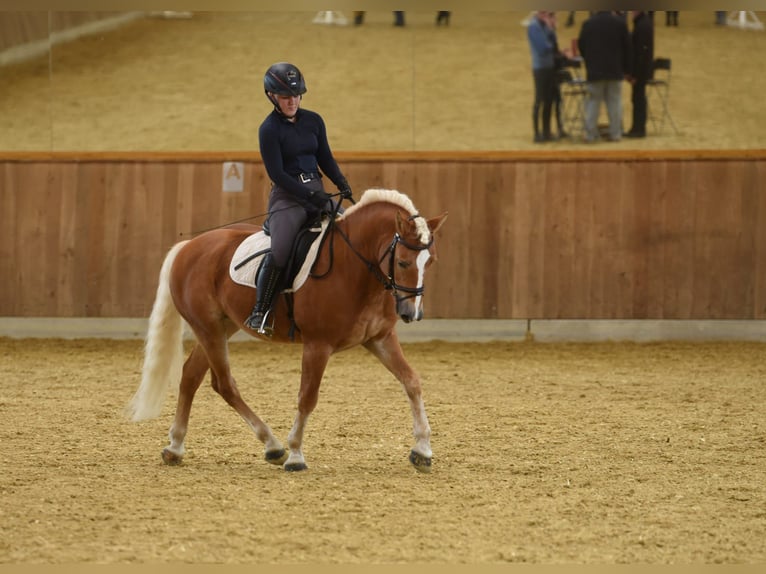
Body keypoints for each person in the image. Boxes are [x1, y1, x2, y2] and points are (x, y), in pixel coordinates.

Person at [245, 62, 353, 335]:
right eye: (285, 97)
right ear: (272, 97)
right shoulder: (268, 129)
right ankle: (261, 311)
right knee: (280, 250)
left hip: (316, 192)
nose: (292, 101)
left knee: (351, 234)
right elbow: (277, 173)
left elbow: (324, 157)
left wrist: (341, 181)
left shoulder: (314, 121)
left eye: (296, 96)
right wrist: (309, 195)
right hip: (287, 197)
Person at [577, 11, 632, 142]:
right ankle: (616, 134)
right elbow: (628, 48)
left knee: (593, 102)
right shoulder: (620, 24)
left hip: (595, 71)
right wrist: (626, 69)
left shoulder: (588, 24)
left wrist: (589, 61)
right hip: (615, 70)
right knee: (615, 102)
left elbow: (581, 45)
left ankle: (590, 135)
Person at [527, 11, 557, 143]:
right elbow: (542, 48)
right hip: (540, 68)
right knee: (539, 100)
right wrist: (549, 32)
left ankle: (547, 131)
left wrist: (551, 29)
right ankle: (537, 133)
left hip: (549, 66)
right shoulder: (533, 26)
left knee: (549, 100)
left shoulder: (545, 26)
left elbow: (554, 45)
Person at [625, 11, 654, 138]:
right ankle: (637, 127)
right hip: (643, 69)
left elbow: (639, 53)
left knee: (638, 99)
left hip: (640, 71)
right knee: (638, 98)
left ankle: (638, 128)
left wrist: (634, 74)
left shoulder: (642, 25)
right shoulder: (644, 23)